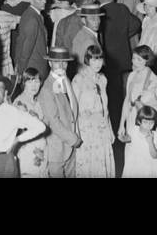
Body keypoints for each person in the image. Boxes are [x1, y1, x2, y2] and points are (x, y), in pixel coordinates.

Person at [71, 45, 114, 178]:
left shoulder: (103, 79)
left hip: (102, 129)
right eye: (94, 59)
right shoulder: (78, 79)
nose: (98, 63)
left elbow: (105, 108)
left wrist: (110, 129)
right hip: (86, 130)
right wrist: (75, 131)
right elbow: (73, 108)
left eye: (100, 59)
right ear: (87, 60)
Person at [36, 46, 80, 178]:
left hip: (70, 148)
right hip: (57, 149)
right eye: (56, 62)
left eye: (64, 62)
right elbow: (53, 121)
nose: (61, 65)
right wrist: (73, 139)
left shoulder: (66, 80)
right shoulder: (46, 89)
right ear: (50, 63)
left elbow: (72, 110)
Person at [10, 70, 47, 178]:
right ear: (24, 83)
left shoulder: (38, 101)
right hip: (28, 151)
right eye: (30, 81)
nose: (34, 85)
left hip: (42, 149)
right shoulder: (19, 103)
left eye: (37, 81)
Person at [121, 104, 157, 178]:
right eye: (145, 122)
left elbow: (155, 155)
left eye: (151, 123)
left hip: (149, 169)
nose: (148, 125)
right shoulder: (134, 130)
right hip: (134, 167)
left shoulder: (156, 136)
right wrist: (123, 138)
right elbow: (128, 139)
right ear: (139, 121)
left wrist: (150, 142)